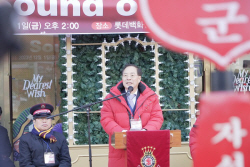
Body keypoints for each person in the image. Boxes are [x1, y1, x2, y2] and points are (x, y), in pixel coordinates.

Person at [100, 64, 164, 167]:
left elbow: (157, 117)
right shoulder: (111, 97)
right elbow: (106, 119)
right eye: (125, 75)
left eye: (132, 75)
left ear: (139, 78)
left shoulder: (151, 97)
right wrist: (123, 133)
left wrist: (145, 131)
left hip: (144, 147)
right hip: (120, 150)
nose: (128, 78)